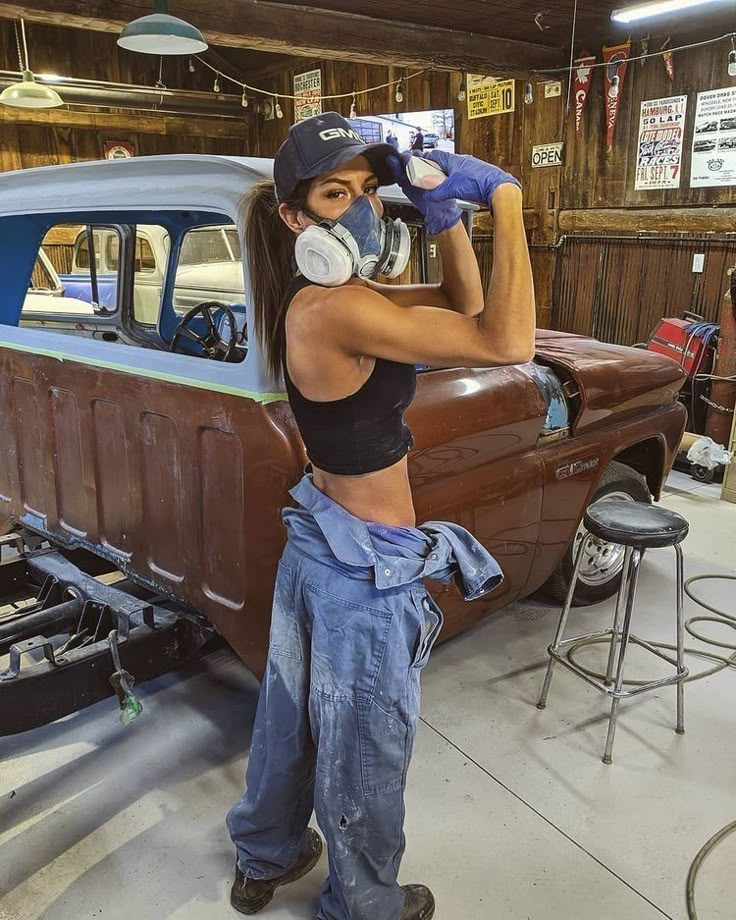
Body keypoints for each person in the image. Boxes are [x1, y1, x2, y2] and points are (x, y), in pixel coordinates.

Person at [226, 112, 535, 920]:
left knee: (287, 721)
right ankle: (365, 905)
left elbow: (462, 301)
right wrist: (505, 202)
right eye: (337, 193)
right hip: (365, 567)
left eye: (368, 189)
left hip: (319, 541)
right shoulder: (335, 311)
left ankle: (267, 854)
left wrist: (443, 221)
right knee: (365, 751)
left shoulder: (331, 294)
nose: (361, 208)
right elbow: (507, 339)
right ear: (296, 217)